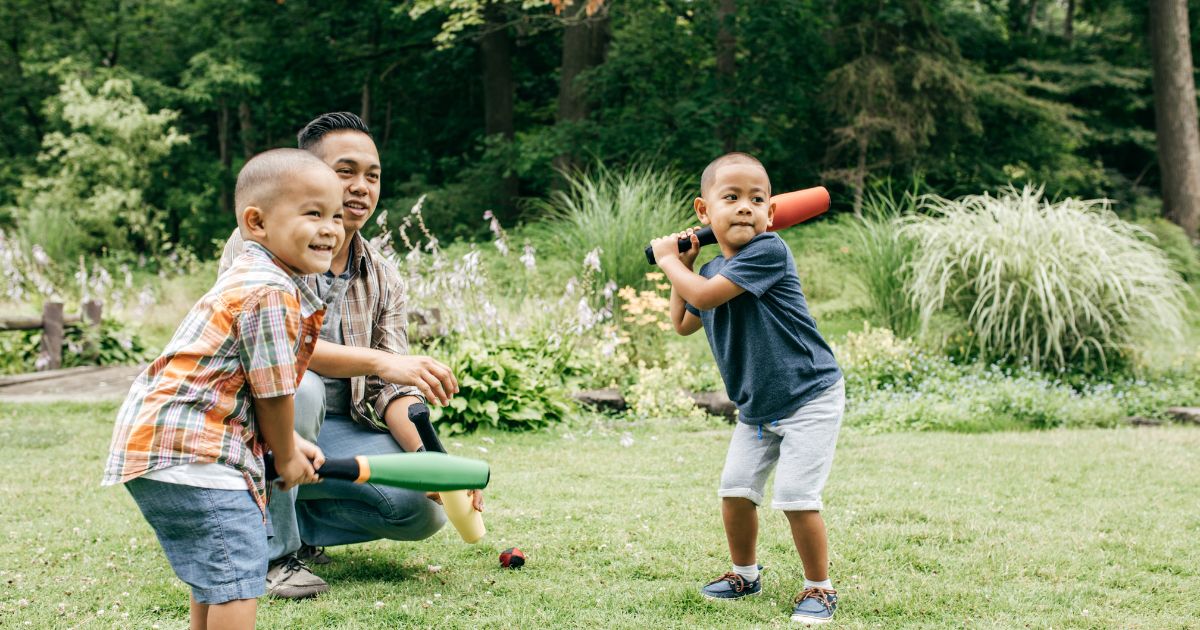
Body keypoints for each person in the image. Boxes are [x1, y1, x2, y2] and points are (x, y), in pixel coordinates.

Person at [219, 112, 477, 599]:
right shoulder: (259, 242)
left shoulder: (382, 275)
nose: (361, 187)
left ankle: (292, 521)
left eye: (372, 175)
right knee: (304, 387)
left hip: (339, 428)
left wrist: (436, 464)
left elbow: (392, 389)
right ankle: (275, 556)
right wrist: (380, 360)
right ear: (306, 175)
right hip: (258, 421)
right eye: (346, 171)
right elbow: (281, 350)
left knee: (422, 510)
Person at [102, 149, 343, 629]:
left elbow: (240, 383)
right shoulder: (270, 291)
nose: (331, 228)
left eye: (335, 215)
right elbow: (273, 391)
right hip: (194, 452)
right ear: (256, 222)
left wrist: (289, 441)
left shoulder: (251, 277)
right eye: (312, 213)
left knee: (219, 573)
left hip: (165, 444)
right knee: (239, 573)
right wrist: (288, 456)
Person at [649, 152, 846, 625]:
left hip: (809, 396)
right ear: (703, 212)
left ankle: (819, 588)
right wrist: (689, 263)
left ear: (770, 214)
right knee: (735, 491)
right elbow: (682, 321)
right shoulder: (712, 269)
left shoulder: (769, 251)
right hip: (758, 408)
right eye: (731, 197)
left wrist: (666, 261)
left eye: (757, 200)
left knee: (797, 497)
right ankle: (745, 574)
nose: (744, 208)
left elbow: (703, 296)